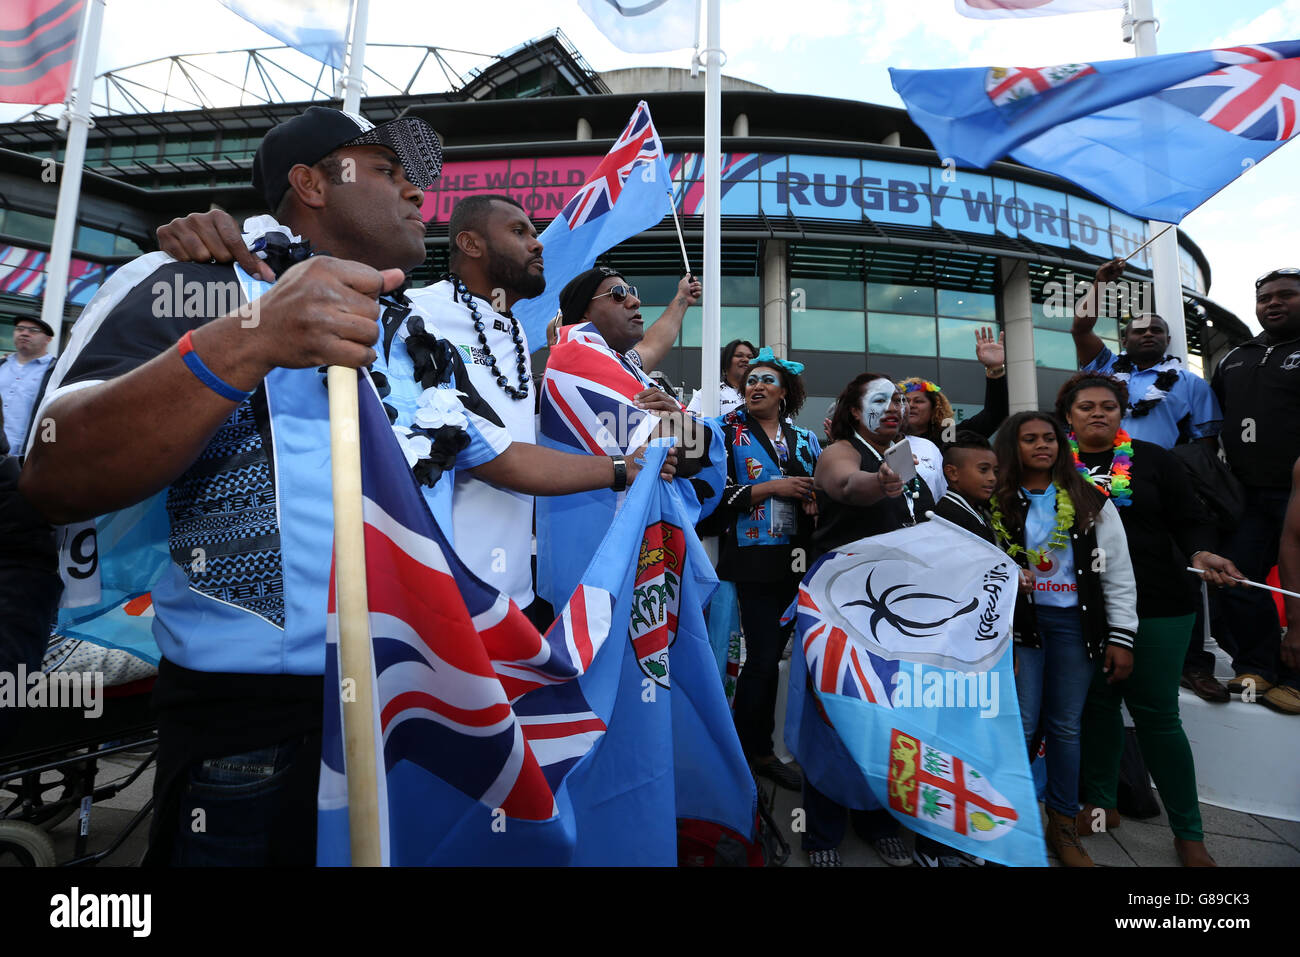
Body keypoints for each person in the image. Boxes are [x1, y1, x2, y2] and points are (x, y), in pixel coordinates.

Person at [22, 107, 671, 866]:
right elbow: (54, 468)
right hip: (258, 738)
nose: (416, 196)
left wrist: (640, 462)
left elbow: (499, 457)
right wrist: (254, 337)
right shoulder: (195, 279)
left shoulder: (410, 339)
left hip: (417, 709)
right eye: (389, 172)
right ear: (310, 184)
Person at [1057, 372, 1243, 867]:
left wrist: (1202, 551)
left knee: (1158, 716)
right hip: (1083, 607)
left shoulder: (1155, 459)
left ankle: (1188, 832)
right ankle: (1101, 809)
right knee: (1097, 708)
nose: (1098, 413)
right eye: (1086, 407)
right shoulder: (1053, 466)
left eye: (1109, 407)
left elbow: (1191, 518)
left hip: (1160, 603)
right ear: (1068, 416)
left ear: (1121, 414)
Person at [799, 373, 946, 868]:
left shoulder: (911, 456)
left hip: (898, 618)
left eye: (900, 401)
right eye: (880, 400)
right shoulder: (840, 450)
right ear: (857, 412)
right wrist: (876, 482)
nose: (894, 407)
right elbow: (846, 484)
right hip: (841, 613)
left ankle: (878, 820)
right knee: (833, 720)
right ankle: (820, 834)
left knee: (889, 719)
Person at [989, 411, 1137, 867]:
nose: (1042, 446)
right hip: (1020, 630)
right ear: (1012, 447)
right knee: (1024, 722)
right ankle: (1010, 819)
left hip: (1076, 627)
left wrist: (1122, 636)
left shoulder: (1091, 499)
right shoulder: (995, 500)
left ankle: (1063, 823)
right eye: (1029, 439)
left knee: (1067, 726)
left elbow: (1118, 572)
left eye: (1049, 438)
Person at [536, 266, 720, 607]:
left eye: (631, 291)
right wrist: (683, 423)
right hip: (603, 568)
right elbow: (679, 451)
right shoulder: (578, 355)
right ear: (585, 313)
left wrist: (681, 299)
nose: (635, 300)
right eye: (618, 294)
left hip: (626, 559)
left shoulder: (621, 363)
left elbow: (654, 343)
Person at [713, 347, 819, 791]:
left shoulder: (808, 440)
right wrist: (772, 487)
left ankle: (766, 747)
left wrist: (815, 500)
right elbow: (711, 494)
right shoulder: (723, 431)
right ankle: (749, 752)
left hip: (799, 563)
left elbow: (822, 489)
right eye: (750, 379)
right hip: (751, 561)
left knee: (777, 659)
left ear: (784, 393)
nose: (755, 385)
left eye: (766, 381)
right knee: (757, 660)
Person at [1210, 267, 1300, 714]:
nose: (1274, 304)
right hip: (1247, 494)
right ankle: (1259, 667)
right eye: (1266, 298)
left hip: (1298, 493)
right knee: (1235, 576)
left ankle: (1297, 680)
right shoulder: (1235, 356)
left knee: (1298, 583)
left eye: (1286, 295)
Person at [912, 432, 999, 867]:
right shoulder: (946, 516)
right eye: (983, 470)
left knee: (958, 746)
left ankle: (954, 836)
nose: (992, 478)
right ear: (952, 473)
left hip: (966, 653)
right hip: (951, 655)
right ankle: (932, 844)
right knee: (941, 747)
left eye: (995, 470)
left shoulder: (974, 511)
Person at [1072, 259, 1222, 449]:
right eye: (1140, 331)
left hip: (1161, 474)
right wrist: (1101, 283)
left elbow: (1206, 445)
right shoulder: (1105, 367)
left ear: (1167, 341)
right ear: (1124, 342)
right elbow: (1081, 330)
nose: (1149, 333)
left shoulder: (1191, 383)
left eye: (1156, 330)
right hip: (1101, 473)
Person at [899, 326, 1008, 446]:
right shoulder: (888, 437)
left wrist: (995, 368)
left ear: (935, 408)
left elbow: (994, 414)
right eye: (905, 401)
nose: (911, 405)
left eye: (918, 401)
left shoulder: (948, 438)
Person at [1, 317, 56, 455]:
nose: (24, 333)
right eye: (20, 329)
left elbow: (55, 416)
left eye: (33, 330)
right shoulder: (2, 366)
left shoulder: (56, 371)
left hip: (23, 459)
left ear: (48, 339)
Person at [687, 338, 756, 417]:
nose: (746, 359)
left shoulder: (761, 391)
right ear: (726, 361)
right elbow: (688, 422)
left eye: (750, 357)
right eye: (739, 355)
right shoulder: (708, 392)